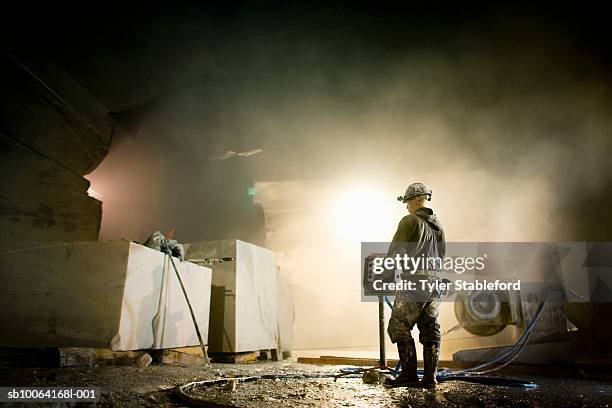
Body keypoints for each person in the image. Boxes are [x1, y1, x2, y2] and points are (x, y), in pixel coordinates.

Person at [385, 182, 445, 388]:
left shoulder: (410, 221)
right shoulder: (438, 226)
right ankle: (430, 378)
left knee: (398, 325)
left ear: (418, 199)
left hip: (416, 282)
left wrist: (386, 275)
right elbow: (442, 256)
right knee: (430, 328)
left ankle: (409, 374)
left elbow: (396, 252)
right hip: (436, 285)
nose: (407, 206)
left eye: (408, 201)